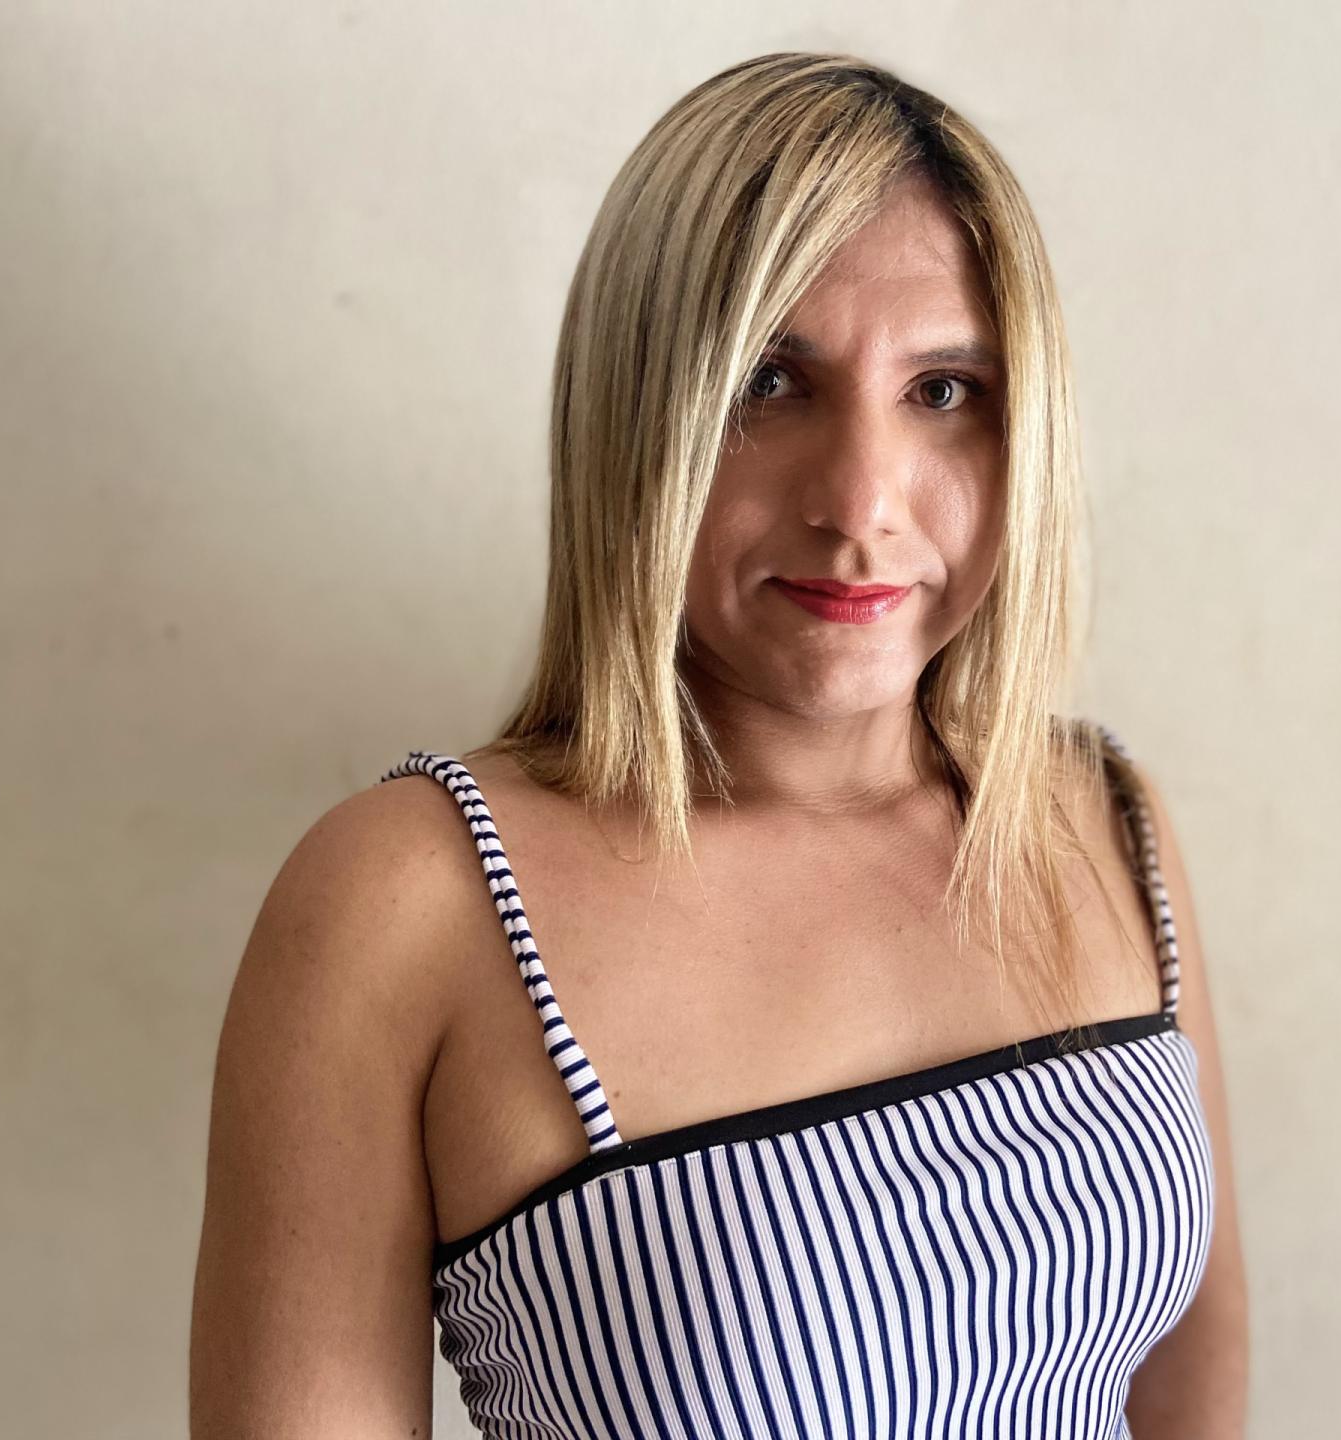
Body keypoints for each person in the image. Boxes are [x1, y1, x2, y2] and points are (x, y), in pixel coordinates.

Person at [191, 50, 1248, 1439]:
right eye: (770, 380)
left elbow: (1191, 1396)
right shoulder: (407, 903)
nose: (860, 503)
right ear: (639, 416)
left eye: (944, 391)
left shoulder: (1101, 820)